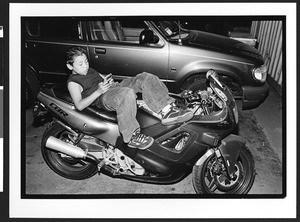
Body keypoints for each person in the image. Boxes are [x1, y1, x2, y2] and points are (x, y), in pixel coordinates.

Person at [66, 46, 193, 150]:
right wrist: (99, 91)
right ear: (70, 66)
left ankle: (166, 111)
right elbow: (79, 105)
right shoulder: (74, 82)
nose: (86, 66)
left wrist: (107, 81)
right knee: (126, 94)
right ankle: (131, 136)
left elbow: (102, 79)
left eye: (86, 61)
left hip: (113, 88)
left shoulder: (89, 70)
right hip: (103, 97)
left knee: (145, 77)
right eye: (80, 64)